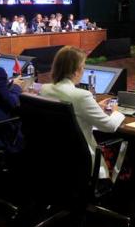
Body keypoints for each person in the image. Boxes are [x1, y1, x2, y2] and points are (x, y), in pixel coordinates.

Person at [40, 46, 125, 179]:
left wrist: (94, 106)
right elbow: (108, 126)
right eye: (83, 67)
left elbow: (73, 110)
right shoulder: (82, 96)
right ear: (76, 71)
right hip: (83, 163)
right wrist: (116, 112)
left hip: (56, 158)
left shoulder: (45, 90)